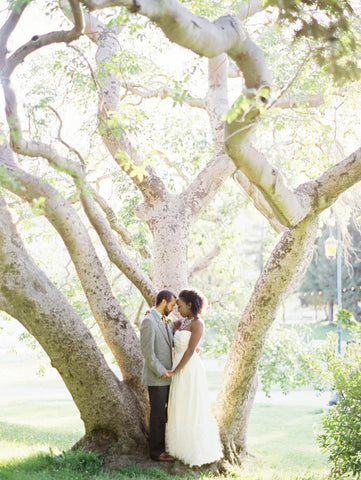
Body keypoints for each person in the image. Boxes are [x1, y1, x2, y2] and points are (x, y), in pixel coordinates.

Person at [165, 289, 223, 466]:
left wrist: (176, 371)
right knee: (178, 405)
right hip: (178, 365)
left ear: (190, 304)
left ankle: (192, 449)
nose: (178, 309)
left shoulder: (198, 323)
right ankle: (176, 448)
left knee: (190, 404)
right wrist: (152, 313)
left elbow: (190, 350)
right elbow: (166, 324)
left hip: (189, 368)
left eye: (180, 306)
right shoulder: (182, 321)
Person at [140, 289, 177, 462]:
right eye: (171, 304)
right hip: (157, 377)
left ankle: (163, 445)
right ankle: (156, 452)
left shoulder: (166, 321)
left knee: (165, 413)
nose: (173, 308)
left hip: (168, 376)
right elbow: (147, 353)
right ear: (163, 301)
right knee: (157, 414)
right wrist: (161, 370)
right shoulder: (148, 321)